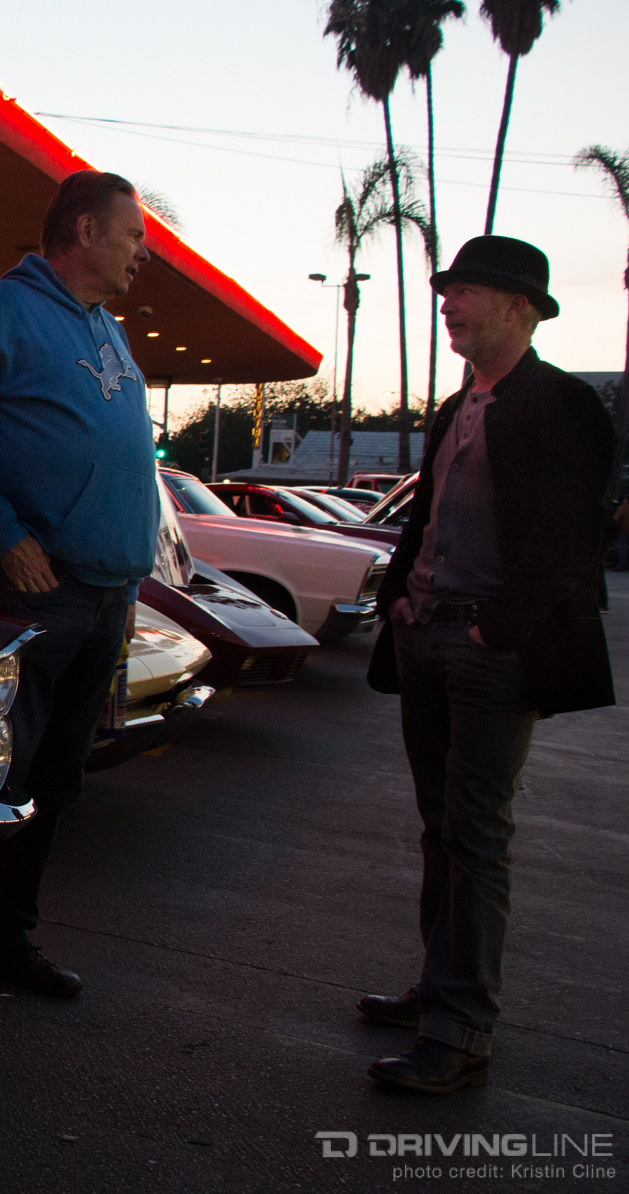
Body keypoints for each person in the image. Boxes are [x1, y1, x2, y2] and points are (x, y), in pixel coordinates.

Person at [361, 236, 615, 1093]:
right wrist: (400, 601)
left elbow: (567, 540)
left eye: (464, 290)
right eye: (446, 290)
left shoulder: (560, 404)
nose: (448, 303)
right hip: (426, 635)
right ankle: (439, 989)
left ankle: (462, 1028)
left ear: (521, 307)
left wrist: (494, 632)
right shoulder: (459, 404)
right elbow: (426, 515)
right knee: (443, 829)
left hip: (490, 654)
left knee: (477, 834)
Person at [0, 171, 159, 1005]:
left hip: (110, 593)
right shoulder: (2, 309)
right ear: (84, 231)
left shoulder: (108, 330)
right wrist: (6, 537)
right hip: (44, 590)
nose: (141, 253)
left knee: (57, 782)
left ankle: (4, 935)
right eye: (132, 236)